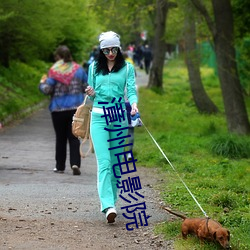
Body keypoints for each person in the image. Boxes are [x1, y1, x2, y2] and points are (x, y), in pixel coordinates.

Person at [85, 31, 138, 223]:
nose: (110, 53)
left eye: (114, 49)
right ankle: (107, 205)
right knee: (105, 162)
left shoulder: (127, 68)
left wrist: (133, 104)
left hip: (118, 117)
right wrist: (90, 92)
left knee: (116, 164)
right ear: (101, 50)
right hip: (98, 117)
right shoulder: (93, 68)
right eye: (106, 50)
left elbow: (131, 90)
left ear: (119, 48)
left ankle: (112, 201)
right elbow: (91, 97)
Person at [39, 45, 88, 175]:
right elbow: (86, 87)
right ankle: (75, 163)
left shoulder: (54, 71)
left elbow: (47, 90)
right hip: (75, 109)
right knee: (74, 137)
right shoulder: (79, 70)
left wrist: (42, 83)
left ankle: (60, 166)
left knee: (60, 138)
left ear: (58, 57)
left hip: (58, 109)